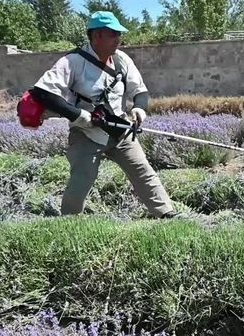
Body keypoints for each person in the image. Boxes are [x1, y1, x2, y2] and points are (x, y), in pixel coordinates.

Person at [29, 11, 177, 219]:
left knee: (143, 171)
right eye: (114, 34)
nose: (119, 38)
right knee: (82, 179)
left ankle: (167, 214)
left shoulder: (122, 60)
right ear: (97, 35)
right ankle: (68, 223)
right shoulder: (72, 62)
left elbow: (140, 90)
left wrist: (139, 108)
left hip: (119, 129)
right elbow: (42, 92)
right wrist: (77, 115)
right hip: (86, 133)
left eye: (119, 34)